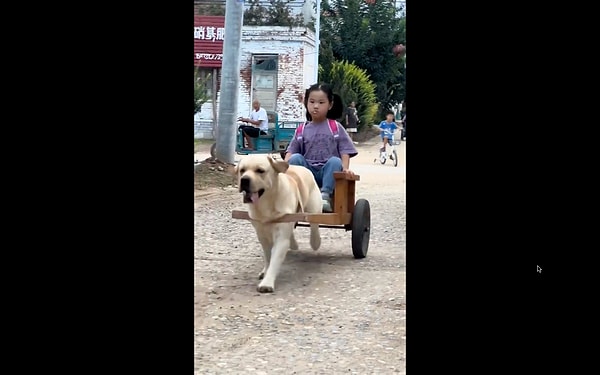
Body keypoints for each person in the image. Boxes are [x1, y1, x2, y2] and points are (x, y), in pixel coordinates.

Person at [285, 83, 358, 213]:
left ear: (329, 105)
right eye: (312, 102)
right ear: (306, 103)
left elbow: (345, 151)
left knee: (335, 161)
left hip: (328, 172)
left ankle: (324, 197)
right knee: (296, 159)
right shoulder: (302, 130)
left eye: (321, 102)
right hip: (307, 173)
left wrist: (345, 169)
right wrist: (281, 168)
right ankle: (298, 197)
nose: (316, 106)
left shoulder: (334, 127)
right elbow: (291, 152)